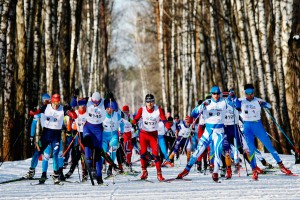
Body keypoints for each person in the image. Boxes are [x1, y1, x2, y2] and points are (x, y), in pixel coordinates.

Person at [239, 84, 291, 180]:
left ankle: (281, 166)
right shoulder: (241, 101)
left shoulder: (258, 100)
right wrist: (231, 97)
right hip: (247, 127)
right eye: (247, 93)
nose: (249, 95)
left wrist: (264, 104)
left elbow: (269, 106)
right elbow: (231, 104)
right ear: (245, 93)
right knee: (251, 149)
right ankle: (254, 169)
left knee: (269, 147)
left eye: (251, 93)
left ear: (254, 92)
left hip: (257, 125)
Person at [177, 86, 227, 182]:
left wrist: (232, 96)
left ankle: (215, 172)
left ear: (219, 93)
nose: (216, 96)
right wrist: (201, 106)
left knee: (217, 152)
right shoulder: (207, 103)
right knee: (197, 152)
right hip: (208, 132)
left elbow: (237, 104)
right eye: (214, 94)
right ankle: (186, 170)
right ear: (211, 94)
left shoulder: (224, 102)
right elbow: (193, 113)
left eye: (217, 93)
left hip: (219, 132)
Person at [24, 94, 77, 184]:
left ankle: (56, 175)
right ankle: (31, 171)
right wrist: (32, 112)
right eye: (54, 103)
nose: (56, 105)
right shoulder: (46, 107)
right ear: (51, 101)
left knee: (56, 154)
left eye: (58, 103)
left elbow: (74, 116)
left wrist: (71, 110)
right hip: (45, 135)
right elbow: (34, 113)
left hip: (56, 136)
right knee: (37, 153)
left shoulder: (62, 109)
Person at [132, 94, 169, 181]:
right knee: (143, 153)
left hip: (153, 135)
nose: (149, 103)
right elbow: (136, 119)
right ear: (145, 102)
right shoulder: (142, 109)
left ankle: (159, 174)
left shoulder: (158, 110)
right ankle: (144, 172)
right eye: (148, 101)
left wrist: (169, 128)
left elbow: (164, 120)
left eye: (151, 101)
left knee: (156, 154)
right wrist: (133, 124)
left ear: (154, 102)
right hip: (144, 134)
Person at [102, 93, 124, 177]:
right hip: (104, 135)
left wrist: (121, 132)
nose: (109, 110)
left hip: (113, 134)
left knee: (113, 149)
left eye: (110, 108)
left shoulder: (116, 114)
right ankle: (102, 166)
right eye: (107, 108)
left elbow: (122, 124)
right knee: (104, 151)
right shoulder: (102, 114)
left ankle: (110, 168)